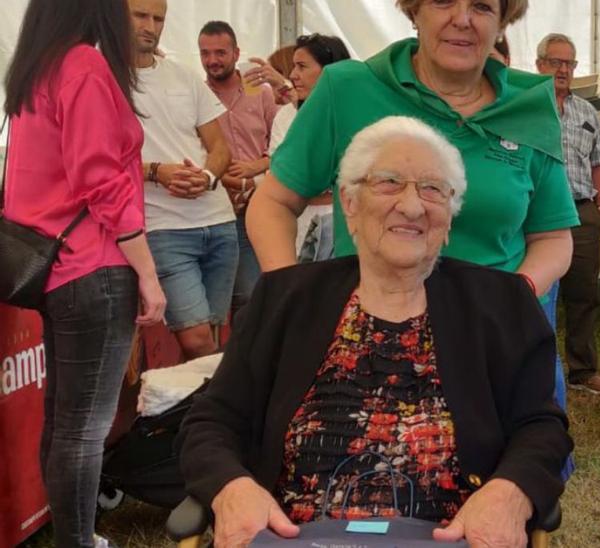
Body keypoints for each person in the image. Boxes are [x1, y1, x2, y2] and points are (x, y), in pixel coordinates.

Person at [178, 117, 572, 547]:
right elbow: (213, 420)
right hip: (296, 536)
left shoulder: (502, 303)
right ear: (349, 203)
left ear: (450, 217)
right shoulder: (285, 299)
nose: (412, 206)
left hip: (448, 538)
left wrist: (509, 493)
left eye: (433, 189)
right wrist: (232, 488)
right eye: (389, 183)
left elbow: (541, 427)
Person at [244, 0, 577, 408]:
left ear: (502, 22)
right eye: (442, 2)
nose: (462, 18)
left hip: (494, 344)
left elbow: (553, 236)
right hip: (371, 345)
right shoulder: (348, 88)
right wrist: (293, 299)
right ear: (413, 10)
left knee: (515, 462)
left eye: (483, 6)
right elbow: (273, 202)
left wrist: (512, 300)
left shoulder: (529, 105)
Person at [3, 0, 167, 545]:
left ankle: (75, 537)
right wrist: (148, 272)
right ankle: (78, 540)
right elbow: (102, 181)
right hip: (93, 266)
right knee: (82, 428)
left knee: (65, 419)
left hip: (54, 269)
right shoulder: (83, 66)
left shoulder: (37, 70)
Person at [130, 0, 235, 361]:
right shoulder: (103, 77)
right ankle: (205, 413)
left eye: (158, 18)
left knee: (213, 336)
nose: (150, 25)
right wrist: (156, 171)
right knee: (197, 340)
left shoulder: (183, 74)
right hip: (162, 228)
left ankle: (202, 413)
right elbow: (96, 161)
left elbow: (220, 146)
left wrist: (206, 177)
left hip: (219, 220)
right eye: (140, 16)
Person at [535, 33, 600, 395]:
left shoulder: (586, 111)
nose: (563, 70)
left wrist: (599, 207)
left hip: (581, 212)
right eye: (556, 62)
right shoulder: (527, 107)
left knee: (584, 293)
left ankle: (582, 371)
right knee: (539, 291)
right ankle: (536, 367)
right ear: (539, 65)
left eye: (569, 63)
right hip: (538, 216)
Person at [198, 20, 280, 311]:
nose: (212, 60)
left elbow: (285, 147)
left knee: (251, 292)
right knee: (218, 298)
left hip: (257, 203)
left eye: (220, 52)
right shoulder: (197, 95)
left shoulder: (261, 92)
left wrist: (253, 170)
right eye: (205, 53)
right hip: (216, 204)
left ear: (236, 53)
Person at [257, 33, 352, 261]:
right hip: (301, 222)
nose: (292, 75)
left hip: (345, 223)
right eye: (292, 67)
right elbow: (281, 173)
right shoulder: (287, 116)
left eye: (301, 67)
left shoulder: (354, 113)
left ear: (329, 70)